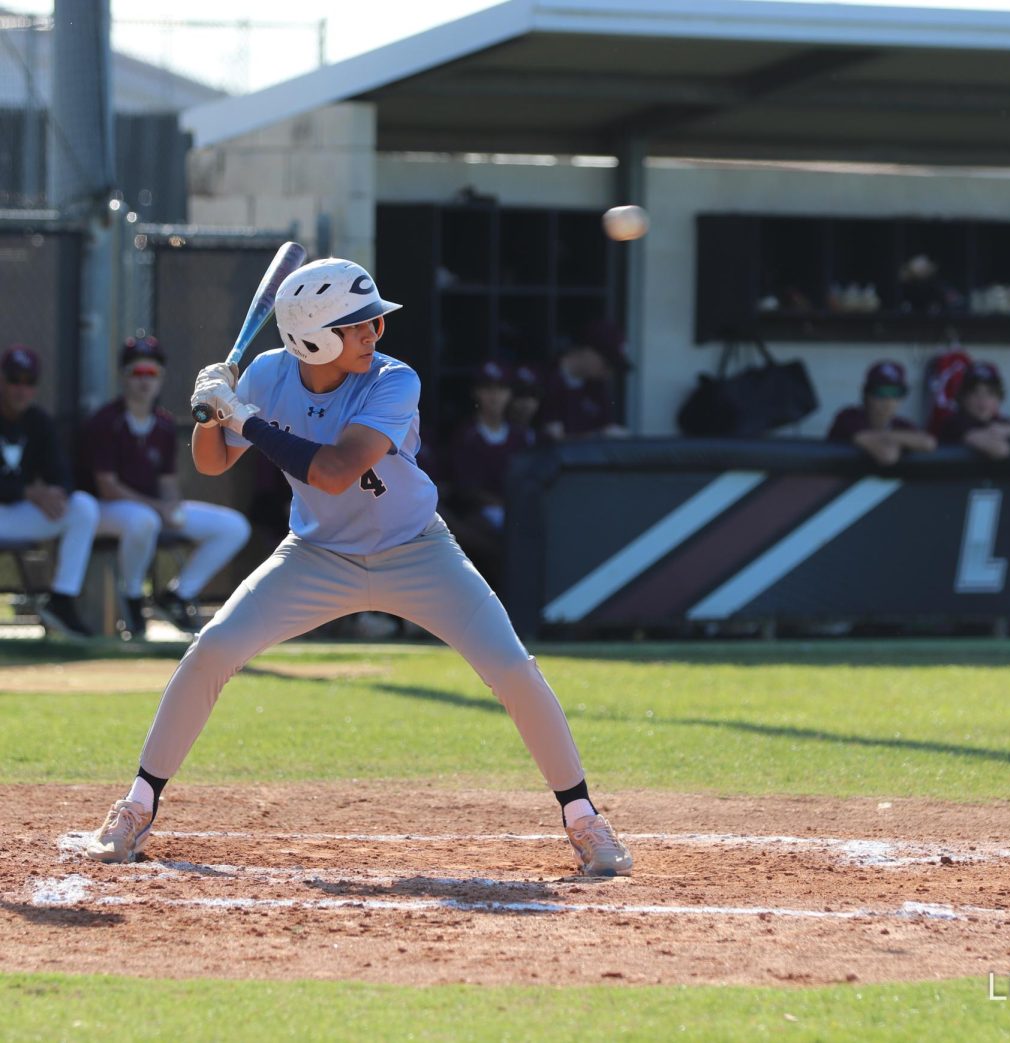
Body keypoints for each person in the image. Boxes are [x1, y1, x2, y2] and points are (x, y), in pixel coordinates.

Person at [83, 258, 632, 879]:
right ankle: (136, 807)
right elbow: (211, 463)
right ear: (313, 337)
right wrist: (210, 408)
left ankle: (583, 818)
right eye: (358, 325)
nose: (374, 333)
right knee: (212, 648)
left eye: (373, 321)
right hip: (316, 555)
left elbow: (336, 469)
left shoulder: (394, 380)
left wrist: (242, 417)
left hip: (417, 549)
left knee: (512, 668)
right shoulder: (266, 375)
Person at [78, 337, 252, 638]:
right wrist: (160, 509)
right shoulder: (106, 421)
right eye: (137, 373)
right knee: (141, 520)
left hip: (150, 510)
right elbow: (108, 487)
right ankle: (133, 598)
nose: (145, 381)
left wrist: (171, 506)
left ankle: (177, 596)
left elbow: (168, 482)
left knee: (233, 527)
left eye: (152, 373)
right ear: (124, 376)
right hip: (103, 512)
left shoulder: (163, 424)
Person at [0, 345, 98, 637]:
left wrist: (57, 494)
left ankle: (62, 601)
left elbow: (61, 473)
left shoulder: (39, 421)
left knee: (82, 507)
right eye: (14, 379)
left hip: (15, 514)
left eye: (29, 381)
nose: (21, 388)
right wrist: (30, 492)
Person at [446, 360, 537, 590]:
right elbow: (465, 490)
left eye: (501, 389)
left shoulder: (522, 437)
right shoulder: (466, 436)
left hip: (519, 512)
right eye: (488, 389)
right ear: (477, 393)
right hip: (482, 515)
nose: (494, 397)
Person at [826, 360, 936, 465]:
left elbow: (928, 443)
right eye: (881, 392)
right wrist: (901, 440)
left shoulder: (900, 424)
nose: (888, 400)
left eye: (895, 393)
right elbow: (888, 456)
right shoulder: (848, 417)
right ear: (866, 394)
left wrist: (883, 436)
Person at [540, 319, 631, 440]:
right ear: (588, 351)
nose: (609, 372)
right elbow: (549, 440)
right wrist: (597, 436)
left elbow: (607, 426)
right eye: (607, 364)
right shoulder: (546, 378)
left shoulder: (597, 388)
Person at [939, 361, 1010, 458]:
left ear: (999, 398)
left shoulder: (1003, 422)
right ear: (963, 397)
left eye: (990, 394)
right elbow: (999, 450)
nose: (983, 401)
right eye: (975, 393)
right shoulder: (954, 423)